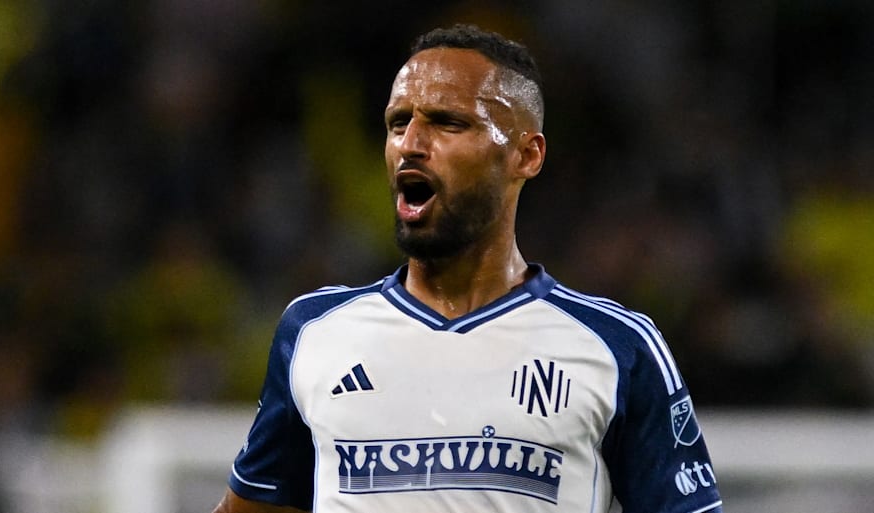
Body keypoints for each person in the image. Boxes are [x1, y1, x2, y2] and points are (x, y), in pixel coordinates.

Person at [212, 24, 723, 513]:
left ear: (527, 154)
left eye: (447, 123)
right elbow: (254, 507)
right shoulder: (315, 333)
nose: (410, 144)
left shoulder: (616, 348)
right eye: (397, 122)